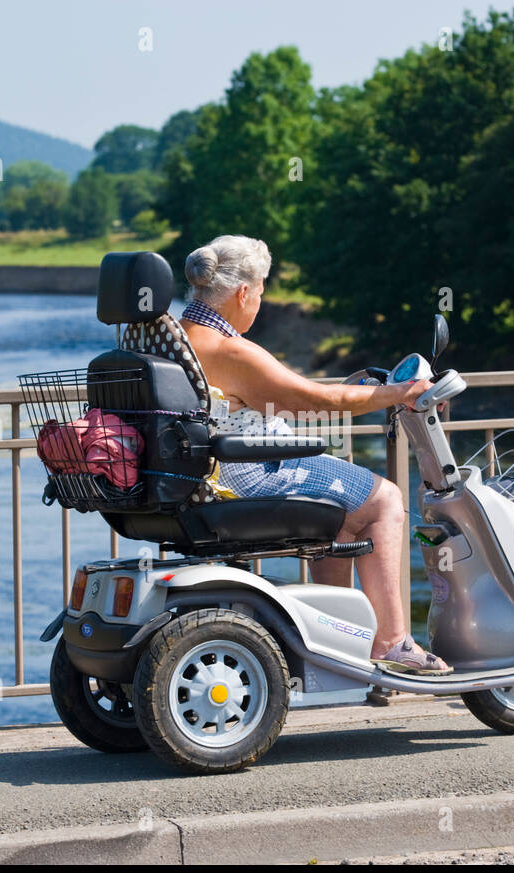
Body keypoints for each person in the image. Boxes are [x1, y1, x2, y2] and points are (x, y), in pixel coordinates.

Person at [178, 234, 451, 676]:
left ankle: (341, 643)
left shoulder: (174, 337)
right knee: (384, 500)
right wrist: (399, 393)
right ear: (243, 292)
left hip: (206, 476)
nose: (260, 302)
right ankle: (392, 643)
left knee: (347, 517)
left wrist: (362, 393)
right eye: (262, 291)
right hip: (251, 473)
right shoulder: (229, 350)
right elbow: (311, 401)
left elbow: (282, 397)